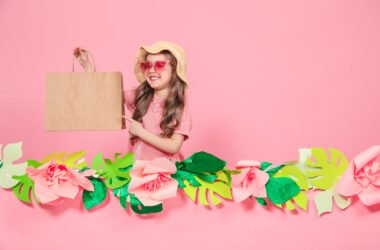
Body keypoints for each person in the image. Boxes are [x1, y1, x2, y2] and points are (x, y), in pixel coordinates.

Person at [73, 41, 191, 162]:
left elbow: (173, 146)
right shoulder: (140, 95)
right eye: (147, 65)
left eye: (160, 65)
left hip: (166, 172)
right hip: (138, 170)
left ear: (175, 69)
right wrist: (88, 68)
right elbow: (107, 97)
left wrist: (140, 132)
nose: (151, 70)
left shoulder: (179, 104)